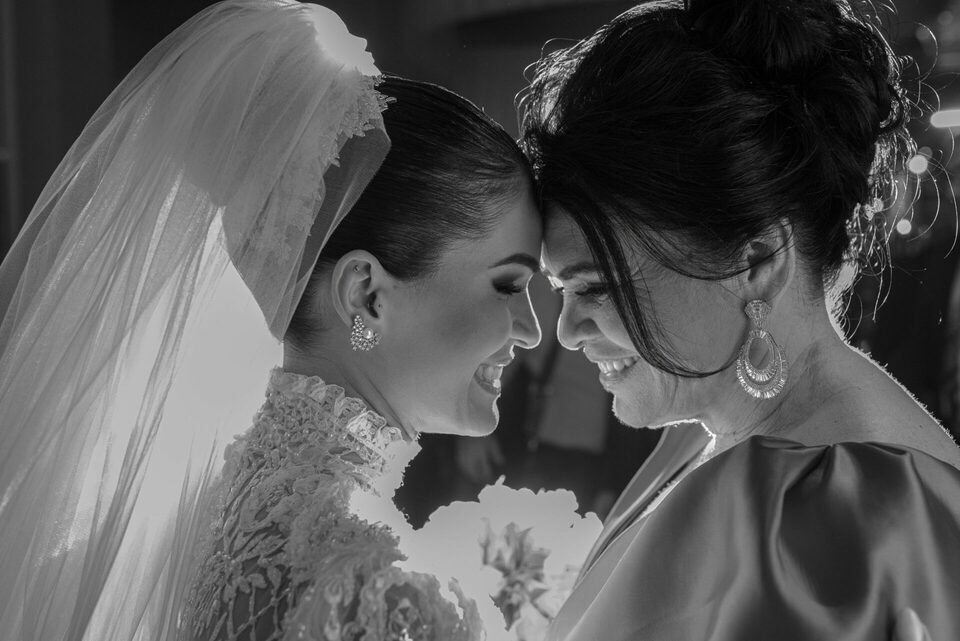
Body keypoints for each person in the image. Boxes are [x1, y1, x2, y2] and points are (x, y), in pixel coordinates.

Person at [0, 2, 540, 640]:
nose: (531, 328)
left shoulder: (212, 506)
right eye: (508, 285)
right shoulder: (380, 592)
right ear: (366, 294)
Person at [521, 0, 959, 638]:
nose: (565, 331)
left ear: (757, 262)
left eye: (596, 287)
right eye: (560, 288)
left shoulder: (816, 515)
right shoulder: (709, 439)